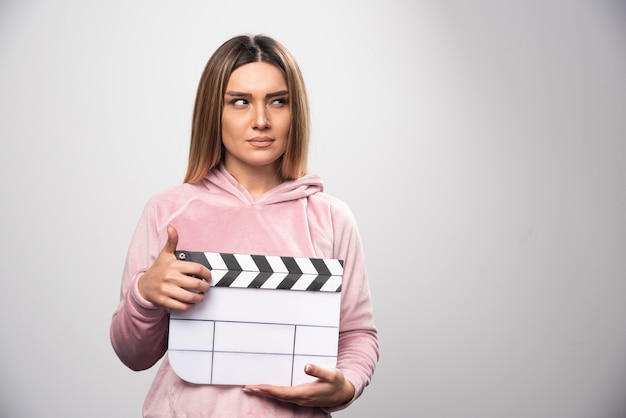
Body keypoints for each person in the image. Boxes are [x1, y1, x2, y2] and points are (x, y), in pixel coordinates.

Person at [110, 34, 379, 417]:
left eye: (278, 101)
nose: (261, 120)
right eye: (240, 102)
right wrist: (144, 293)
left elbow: (356, 334)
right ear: (213, 113)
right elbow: (133, 355)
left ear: (295, 112)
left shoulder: (331, 218)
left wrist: (347, 383)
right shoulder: (168, 210)